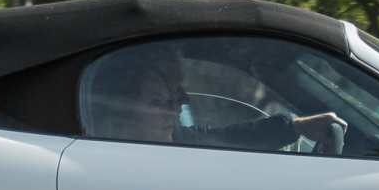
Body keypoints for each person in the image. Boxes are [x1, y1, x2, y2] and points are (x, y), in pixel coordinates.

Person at [87, 47, 345, 151]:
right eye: (159, 99)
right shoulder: (118, 159)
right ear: (119, 108)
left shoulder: (171, 141)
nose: (179, 103)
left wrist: (295, 126)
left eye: (173, 91)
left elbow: (227, 136)